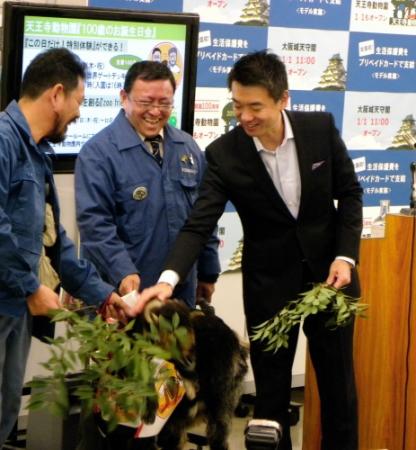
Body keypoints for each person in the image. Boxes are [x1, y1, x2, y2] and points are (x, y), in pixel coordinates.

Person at [140, 50, 363, 450]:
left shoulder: (320, 130)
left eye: (255, 106)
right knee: (272, 397)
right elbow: (199, 224)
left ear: (283, 99)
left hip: (330, 282)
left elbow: (349, 195)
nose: (244, 117)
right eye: (237, 105)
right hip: (269, 289)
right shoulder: (225, 154)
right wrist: (168, 280)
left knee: (338, 390)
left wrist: (345, 257)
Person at [0, 48, 132, 448]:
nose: (78, 112)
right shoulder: (4, 141)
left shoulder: (36, 152)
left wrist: (104, 295)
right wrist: (29, 287)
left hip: (16, 312)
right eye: (80, 100)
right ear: (57, 94)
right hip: (11, 301)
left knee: (5, 416)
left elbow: (56, 245)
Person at [75, 60, 220, 309]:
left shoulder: (188, 147)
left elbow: (203, 217)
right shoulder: (98, 153)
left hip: (179, 293)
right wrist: (123, 272)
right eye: (146, 102)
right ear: (124, 98)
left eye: (164, 103)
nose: (155, 111)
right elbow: (95, 225)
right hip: (124, 294)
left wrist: (208, 271)